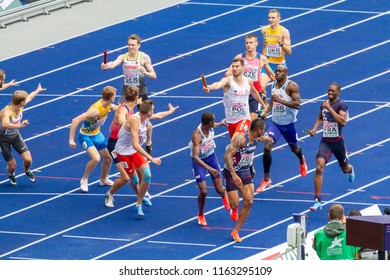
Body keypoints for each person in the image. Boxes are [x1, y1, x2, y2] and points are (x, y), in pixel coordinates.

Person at [105, 98, 179, 209]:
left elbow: (159, 116)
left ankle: (140, 197)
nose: (154, 111)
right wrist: (151, 158)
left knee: (146, 174)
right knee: (130, 179)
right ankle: (109, 194)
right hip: (122, 152)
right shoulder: (135, 120)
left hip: (133, 151)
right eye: (153, 109)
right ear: (149, 112)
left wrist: (170, 111)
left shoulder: (146, 119)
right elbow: (135, 144)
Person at [256, 65, 307, 193]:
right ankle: (266, 179)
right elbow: (273, 101)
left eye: (280, 71)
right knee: (267, 147)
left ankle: (301, 159)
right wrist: (266, 112)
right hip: (276, 124)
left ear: (286, 73)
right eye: (276, 71)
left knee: (295, 149)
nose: (277, 73)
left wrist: (281, 100)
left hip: (289, 125)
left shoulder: (291, 87)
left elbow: (297, 104)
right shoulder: (273, 86)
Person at [307, 82, 355, 211]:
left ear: (338, 92)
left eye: (333, 91)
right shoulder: (324, 104)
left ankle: (350, 170)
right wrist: (314, 129)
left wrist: (329, 108)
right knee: (318, 168)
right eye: (328, 90)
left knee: (344, 169)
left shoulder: (341, 105)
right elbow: (320, 117)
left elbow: (343, 122)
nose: (330, 93)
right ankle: (317, 200)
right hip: (326, 142)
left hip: (338, 143)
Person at [223, 119, 270, 242]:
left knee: (249, 202)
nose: (263, 132)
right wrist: (233, 175)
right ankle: (230, 202)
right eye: (263, 130)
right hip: (231, 171)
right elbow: (226, 156)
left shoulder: (255, 138)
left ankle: (235, 231)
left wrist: (265, 139)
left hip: (245, 171)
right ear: (258, 130)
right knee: (235, 204)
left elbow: (258, 139)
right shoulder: (241, 139)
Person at [69, 86, 118, 193]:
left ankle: (103, 179)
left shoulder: (109, 105)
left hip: (97, 135)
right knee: (96, 158)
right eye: (114, 95)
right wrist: (71, 140)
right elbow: (75, 120)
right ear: (111, 97)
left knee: (108, 158)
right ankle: (84, 179)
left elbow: (117, 108)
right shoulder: (94, 111)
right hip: (85, 136)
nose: (116, 97)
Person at [203, 58, 267, 139]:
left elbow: (254, 92)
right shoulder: (228, 81)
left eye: (237, 66)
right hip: (231, 120)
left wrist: (263, 104)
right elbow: (219, 84)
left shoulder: (248, 81)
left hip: (244, 119)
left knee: (235, 141)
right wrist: (210, 87)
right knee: (236, 147)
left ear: (243, 68)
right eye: (233, 66)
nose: (234, 68)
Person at [189, 112, 230, 226]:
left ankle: (223, 194)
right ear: (208, 123)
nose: (214, 122)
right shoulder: (197, 135)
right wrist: (209, 169)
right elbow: (196, 157)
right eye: (213, 121)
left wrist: (221, 123)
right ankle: (201, 214)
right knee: (204, 191)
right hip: (199, 161)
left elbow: (215, 125)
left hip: (211, 157)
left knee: (219, 189)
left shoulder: (211, 127)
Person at [0, 83, 46, 185]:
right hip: (3, 139)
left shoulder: (20, 106)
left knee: (28, 160)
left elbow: (30, 97)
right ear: (21, 102)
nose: (25, 102)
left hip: (15, 136)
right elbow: (5, 124)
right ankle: (11, 174)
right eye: (24, 101)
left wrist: (37, 90)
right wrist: (19, 126)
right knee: (12, 166)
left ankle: (26, 170)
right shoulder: (7, 111)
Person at [225, 34, 275, 120]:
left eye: (251, 42)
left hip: (256, 92)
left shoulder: (261, 58)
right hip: (242, 92)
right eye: (247, 43)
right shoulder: (240, 57)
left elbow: (270, 74)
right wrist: (237, 72)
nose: (248, 45)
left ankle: (260, 112)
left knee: (253, 119)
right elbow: (227, 74)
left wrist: (281, 84)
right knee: (242, 119)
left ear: (256, 43)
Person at [101, 34, 156, 104]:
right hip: (127, 91)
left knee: (145, 113)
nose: (130, 47)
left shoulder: (144, 57)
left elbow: (154, 75)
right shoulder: (123, 57)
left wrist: (146, 73)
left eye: (133, 45)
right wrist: (106, 65)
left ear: (139, 45)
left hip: (140, 91)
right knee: (120, 111)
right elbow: (113, 64)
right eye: (129, 45)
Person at [260, 9, 292, 106]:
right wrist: (262, 58)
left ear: (279, 19)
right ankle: (265, 106)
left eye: (273, 18)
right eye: (269, 18)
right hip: (268, 64)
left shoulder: (284, 32)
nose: (271, 20)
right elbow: (264, 44)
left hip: (280, 65)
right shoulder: (264, 31)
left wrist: (281, 44)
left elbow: (289, 52)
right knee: (261, 88)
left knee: (282, 90)